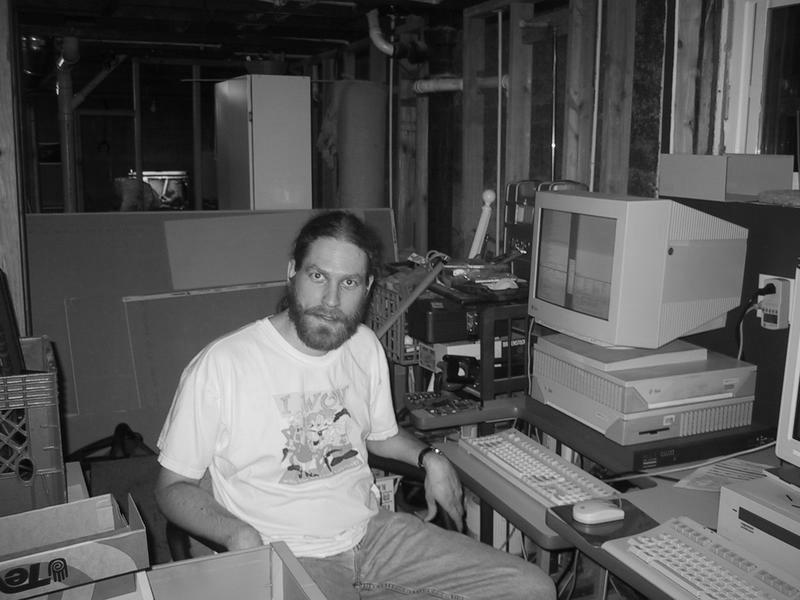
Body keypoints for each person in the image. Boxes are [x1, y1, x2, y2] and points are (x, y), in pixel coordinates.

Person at [155, 210, 556, 600]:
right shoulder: (222, 365)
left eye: (348, 282)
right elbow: (172, 487)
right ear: (292, 272)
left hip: (372, 536)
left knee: (532, 588)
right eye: (318, 276)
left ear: (367, 288)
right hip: (287, 552)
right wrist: (238, 535)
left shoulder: (364, 346)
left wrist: (430, 459)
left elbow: (381, 435)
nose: (331, 300)